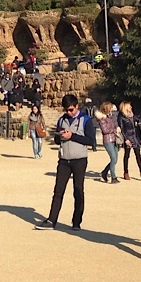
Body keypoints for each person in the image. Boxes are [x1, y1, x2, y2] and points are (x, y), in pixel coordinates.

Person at [35, 93, 96, 231]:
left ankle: (76, 222)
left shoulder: (86, 120)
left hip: (79, 160)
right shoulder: (61, 120)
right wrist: (59, 136)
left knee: (78, 191)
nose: (68, 112)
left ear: (76, 106)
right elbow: (57, 140)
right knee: (58, 191)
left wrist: (72, 136)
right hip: (63, 160)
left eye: (71, 110)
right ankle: (51, 220)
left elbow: (90, 140)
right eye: (66, 110)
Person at [118, 101, 141, 180]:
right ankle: (126, 172)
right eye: (129, 106)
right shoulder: (121, 116)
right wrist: (126, 139)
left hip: (135, 137)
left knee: (138, 154)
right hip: (128, 137)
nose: (131, 107)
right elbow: (122, 129)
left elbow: (139, 119)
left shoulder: (132, 115)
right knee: (127, 155)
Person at [97, 101, 120, 183]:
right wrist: (114, 130)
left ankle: (105, 172)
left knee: (115, 160)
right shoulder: (102, 119)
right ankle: (113, 177)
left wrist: (117, 127)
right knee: (113, 158)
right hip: (108, 140)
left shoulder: (110, 117)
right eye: (110, 108)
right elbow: (105, 130)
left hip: (114, 139)